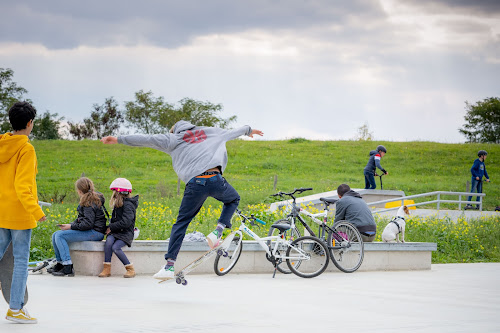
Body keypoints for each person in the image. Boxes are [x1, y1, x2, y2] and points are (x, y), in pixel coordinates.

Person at [101, 120, 263, 280]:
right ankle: (218, 231)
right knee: (233, 199)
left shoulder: (173, 139)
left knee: (181, 224)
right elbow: (235, 131)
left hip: (195, 184)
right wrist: (249, 130)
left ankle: (169, 266)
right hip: (215, 179)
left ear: (174, 131)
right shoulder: (212, 131)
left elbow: (147, 139)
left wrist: (118, 139)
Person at [0, 101, 46, 324]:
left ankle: (17, 308)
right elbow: (22, 186)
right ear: (29, 124)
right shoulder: (26, 148)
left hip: (0, 212)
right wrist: (37, 211)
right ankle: (15, 309)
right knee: (20, 261)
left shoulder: (1, 144)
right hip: (19, 215)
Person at [49, 177, 107, 276]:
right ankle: (60, 264)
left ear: (79, 191)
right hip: (92, 231)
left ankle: (68, 266)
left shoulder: (89, 202)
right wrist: (70, 225)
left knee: (60, 236)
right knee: (55, 234)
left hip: (95, 233)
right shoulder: (88, 200)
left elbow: (88, 224)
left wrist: (71, 227)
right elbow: (82, 220)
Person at [98, 178, 139, 278]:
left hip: (126, 233)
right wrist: (108, 228)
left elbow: (126, 222)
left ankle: (130, 269)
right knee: (108, 243)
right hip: (116, 232)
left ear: (118, 192)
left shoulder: (128, 205)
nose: (113, 194)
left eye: (114, 191)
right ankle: (106, 269)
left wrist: (111, 227)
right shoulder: (118, 204)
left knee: (115, 248)